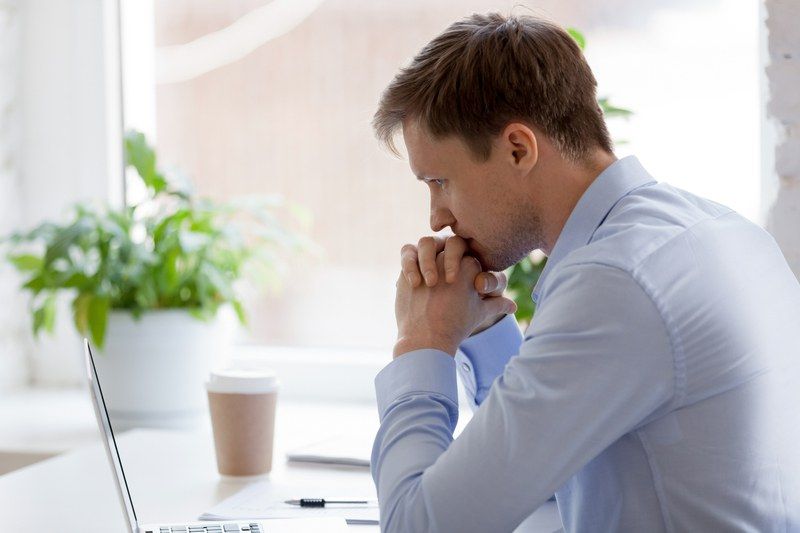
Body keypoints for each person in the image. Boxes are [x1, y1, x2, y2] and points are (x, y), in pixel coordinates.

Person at [369, 12, 800, 533]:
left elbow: (418, 526)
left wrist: (422, 345)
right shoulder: (716, 230)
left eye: (440, 180)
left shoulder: (615, 282)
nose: (436, 217)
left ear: (517, 149)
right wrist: (480, 330)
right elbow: (551, 470)